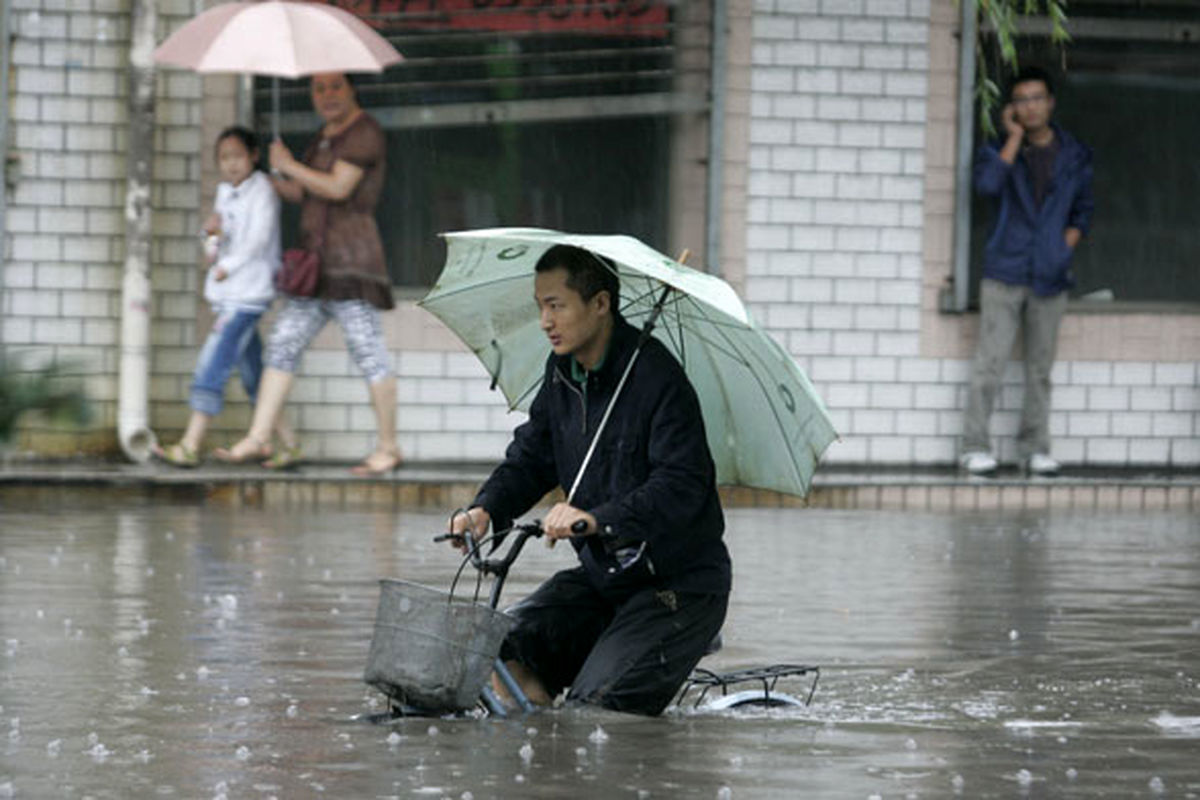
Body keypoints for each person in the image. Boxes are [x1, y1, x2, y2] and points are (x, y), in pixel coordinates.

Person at [446, 244, 731, 717]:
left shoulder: (658, 379)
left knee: (595, 714)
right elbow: (532, 457)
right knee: (497, 651)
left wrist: (596, 520)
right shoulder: (562, 374)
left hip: (677, 586)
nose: (544, 321)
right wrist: (485, 510)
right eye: (539, 306)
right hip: (606, 579)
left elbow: (682, 487)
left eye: (556, 305)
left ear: (600, 304)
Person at [215, 72, 401, 474]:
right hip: (314, 269)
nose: (327, 95)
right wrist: (262, 175)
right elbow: (304, 192)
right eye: (319, 88)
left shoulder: (363, 131)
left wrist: (290, 166)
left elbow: (337, 188)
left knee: (368, 352)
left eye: (336, 86)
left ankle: (388, 447)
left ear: (352, 88)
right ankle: (260, 436)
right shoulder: (323, 136)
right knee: (282, 344)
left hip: (352, 265)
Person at [960, 66, 1094, 476]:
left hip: (1049, 275)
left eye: (1037, 98)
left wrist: (1060, 249)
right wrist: (1014, 139)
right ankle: (974, 447)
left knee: (1039, 369)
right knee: (989, 364)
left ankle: (1034, 448)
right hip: (1005, 270)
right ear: (1012, 108)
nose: (1030, 106)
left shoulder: (1073, 153)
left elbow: (1083, 212)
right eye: (1021, 100)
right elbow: (986, 187)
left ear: (1050, 102)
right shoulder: (1000, 149)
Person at [152, 126, 296, 468]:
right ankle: (289, 444)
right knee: (254, 376)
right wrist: (210, 235)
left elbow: (258, 239)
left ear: (253, 157)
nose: (231, 164)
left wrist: (226, 266)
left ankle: (190, 443)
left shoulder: (262, 189)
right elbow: (216, 242)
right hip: (227, 293)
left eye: (238, 156)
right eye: (224, 158)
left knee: (212, 363)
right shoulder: (224, 192)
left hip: (248, 294)